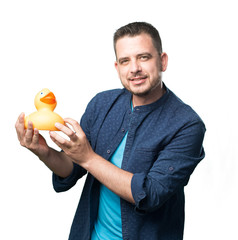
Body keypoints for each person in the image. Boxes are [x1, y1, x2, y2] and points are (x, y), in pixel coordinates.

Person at [15, 22, 206, 240]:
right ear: (117, 68)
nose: (134, 68)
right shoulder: (102, 103)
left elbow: (150, 194)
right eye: (125, 61)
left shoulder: (187, 124)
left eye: (144, 57)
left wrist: (87, 157)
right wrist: (44, 152)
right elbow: (72, 168)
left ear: (162, 61)